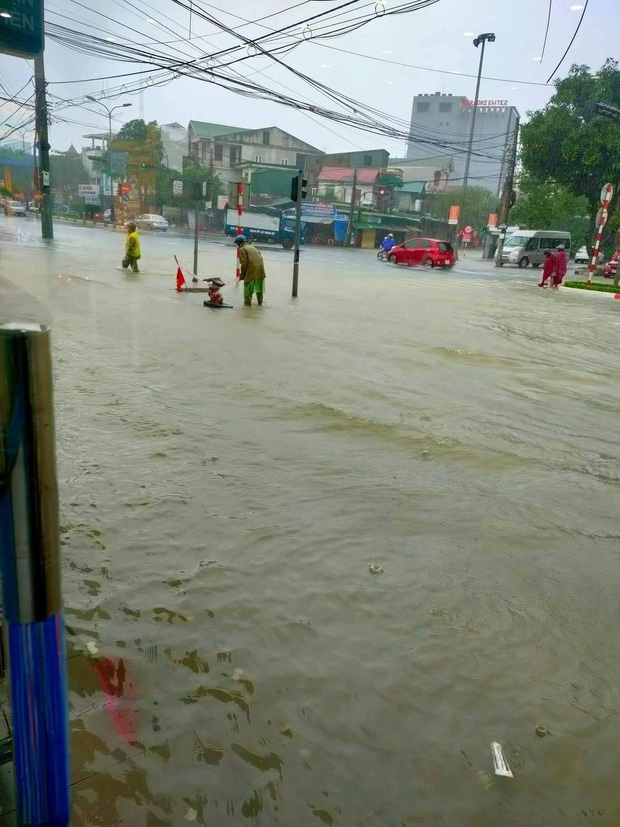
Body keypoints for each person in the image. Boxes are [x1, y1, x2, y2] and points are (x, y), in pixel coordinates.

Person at [235, 235, 266, 306]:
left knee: (248, 293)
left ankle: (247, 310)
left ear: (239, 243)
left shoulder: (242, 249)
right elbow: (260, 258)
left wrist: (242, 275)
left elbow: (244, 264)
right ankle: (260, 305)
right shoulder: (253, 247)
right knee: (259, 291)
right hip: (261, 272)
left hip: (251, 273)